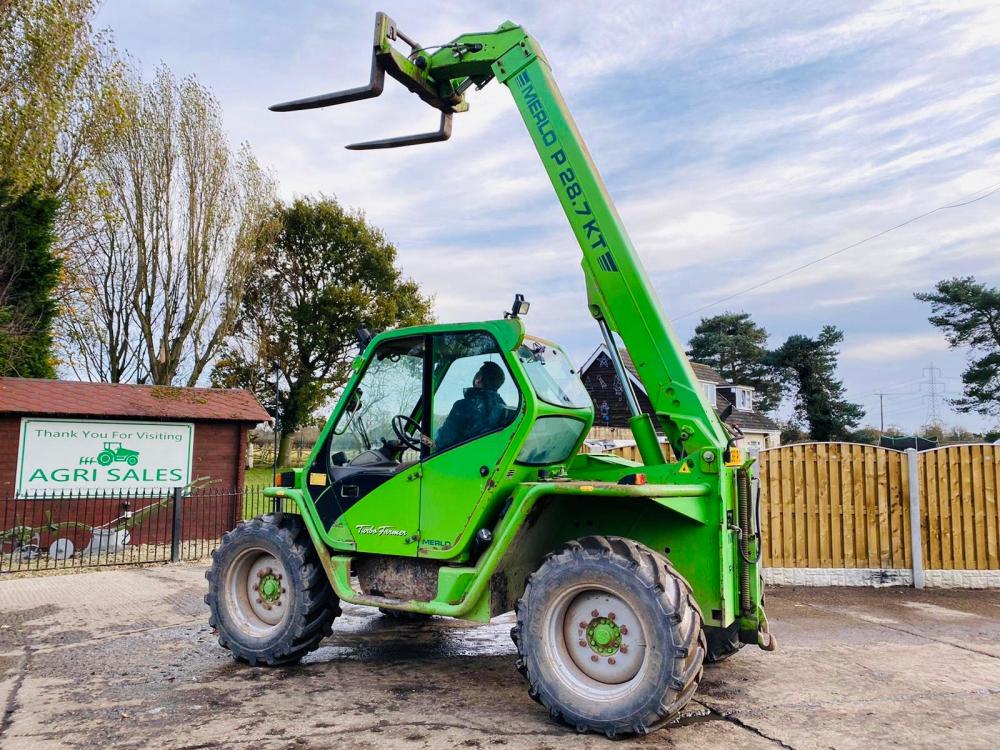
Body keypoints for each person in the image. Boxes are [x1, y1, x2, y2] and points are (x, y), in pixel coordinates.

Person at [435, 361, 508, 451]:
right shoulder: (504, 409)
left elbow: (443, 442)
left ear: (478, 379)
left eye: (478, 374)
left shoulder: (463, 406)